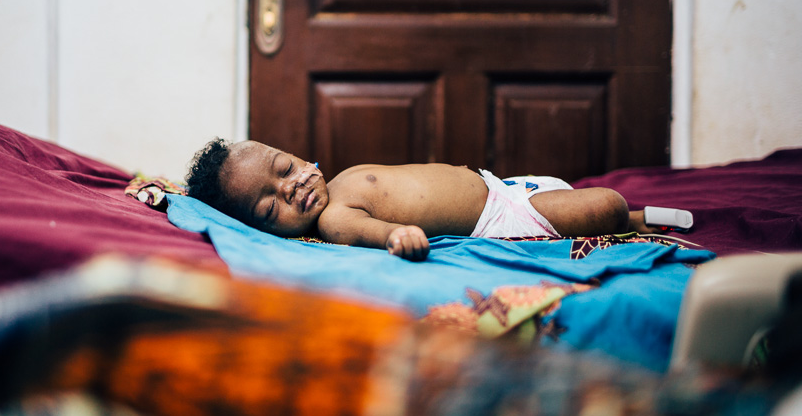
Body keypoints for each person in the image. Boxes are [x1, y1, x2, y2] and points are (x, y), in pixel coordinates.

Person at [185, 138, 658, 261]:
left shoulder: (343, 180)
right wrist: (399, 237)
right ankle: (635, 220)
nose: (289, 187)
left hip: (502, 186)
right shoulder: (334, 221)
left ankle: (636, 216)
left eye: (285, 168)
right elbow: (382, 232)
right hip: (498, 218)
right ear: (261, 229)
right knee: (605, 206)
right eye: (271, 208)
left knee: (565, 190)